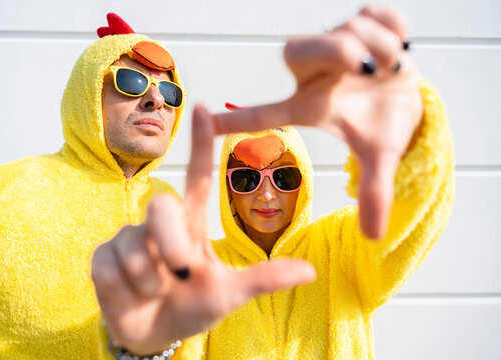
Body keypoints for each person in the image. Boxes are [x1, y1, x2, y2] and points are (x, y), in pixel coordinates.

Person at [91, 4, 454, 360]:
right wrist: (144, 343)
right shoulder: (204, 265)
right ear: (227, 189)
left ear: (305, 179)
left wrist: (411, 127)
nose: (266, 194)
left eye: (284, 176)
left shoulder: (342, 249)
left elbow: (410, 216)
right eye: (246, 178)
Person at [0, 13, 188, 359]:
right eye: (131, 81)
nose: (155, 100)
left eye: (170, 92)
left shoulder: (171, 205)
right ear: (88, 92)